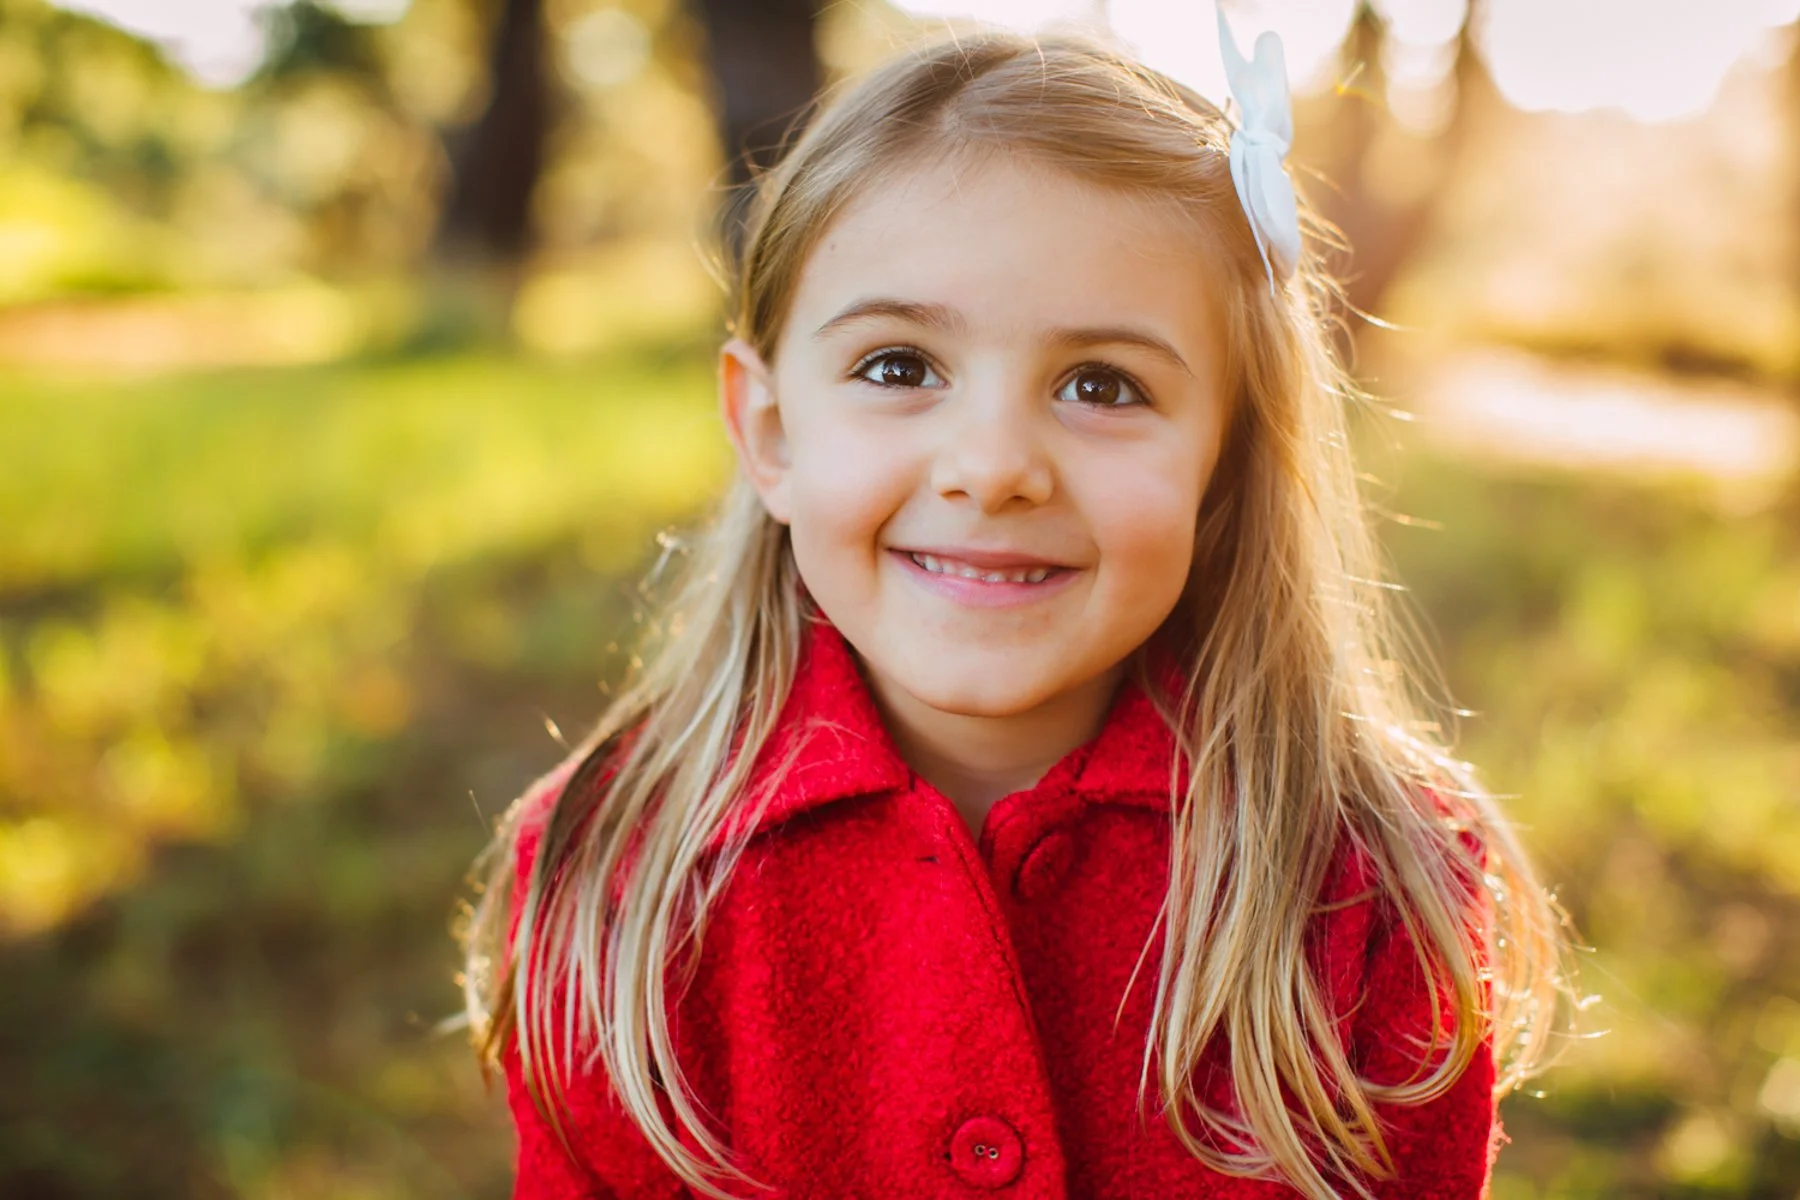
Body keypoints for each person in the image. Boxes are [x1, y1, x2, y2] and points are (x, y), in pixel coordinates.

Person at [461, 17, 1573, 1200]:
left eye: (1103, 384)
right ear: (772, 432)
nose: (992, 467)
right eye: (899, 367)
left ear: (1227, 464)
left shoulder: (1373, 887)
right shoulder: (614, 872)